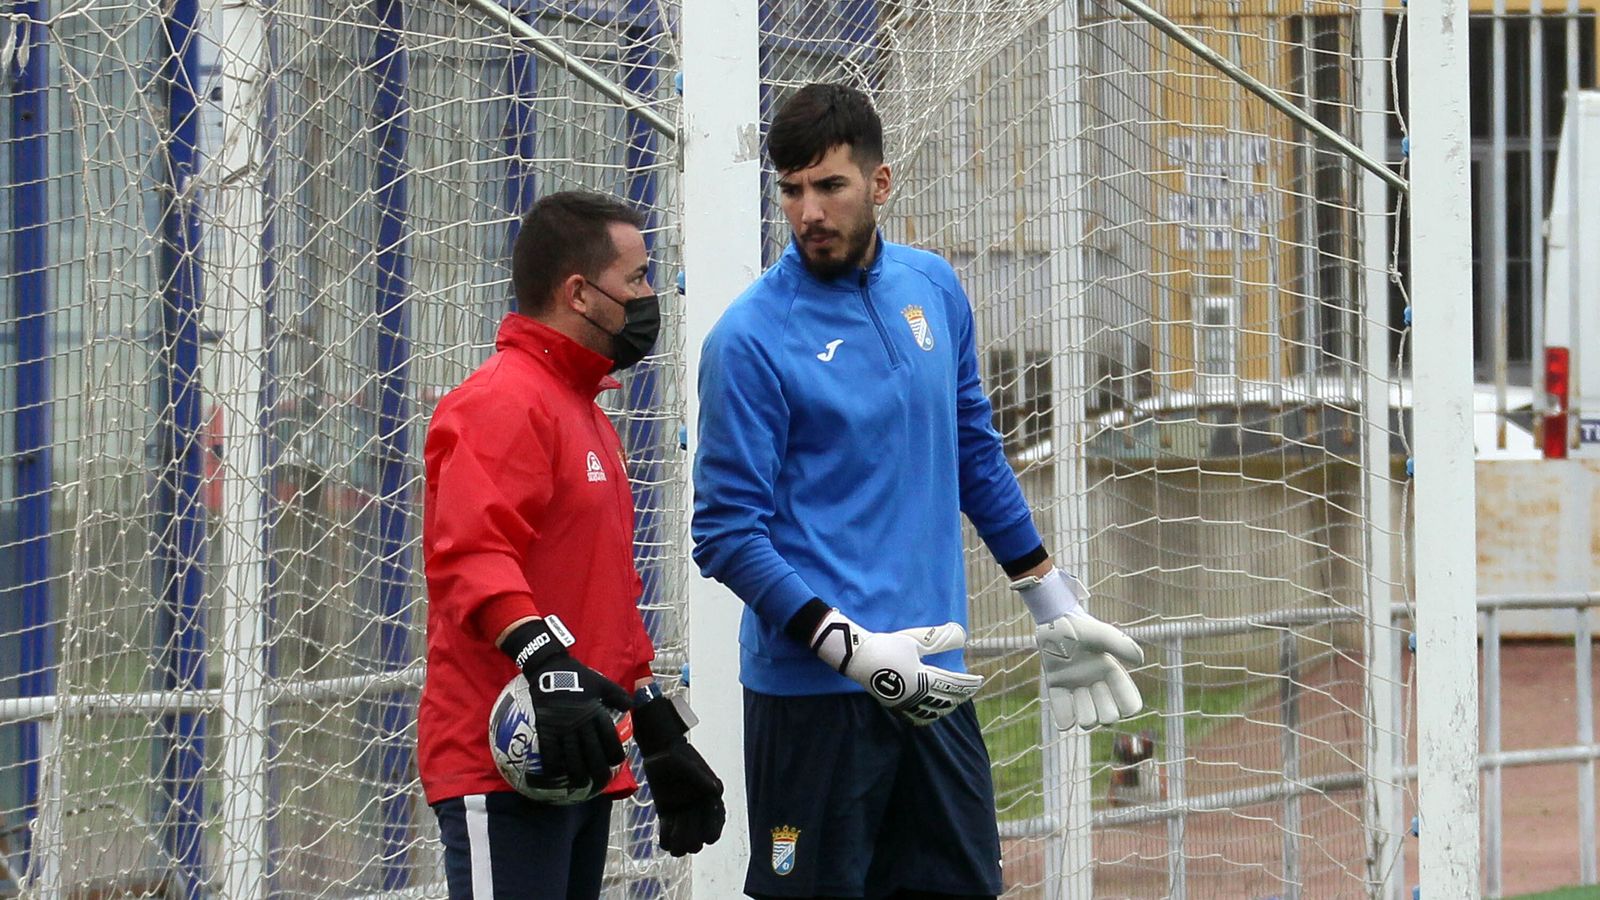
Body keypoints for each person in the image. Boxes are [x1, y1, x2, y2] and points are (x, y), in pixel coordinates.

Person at [692, 83, 1145, 899]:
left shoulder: (932, 288)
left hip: (935, 685)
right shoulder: (749, 338)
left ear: (881, 183)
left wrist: (1049, 596)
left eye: (829, 185)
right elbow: (726, 533)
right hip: (814, 703)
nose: (808, 212)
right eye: (791, 190)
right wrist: (848, 648)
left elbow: (972, 449)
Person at [420, 190, 725, 899]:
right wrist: (548, 670)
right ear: (580, 293)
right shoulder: (501, 399)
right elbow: (471, 557)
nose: (652, 295)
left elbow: (604, 601)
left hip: (579, 758)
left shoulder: (585, 410)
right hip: (502, 766)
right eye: (637, 278)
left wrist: (653, 723)